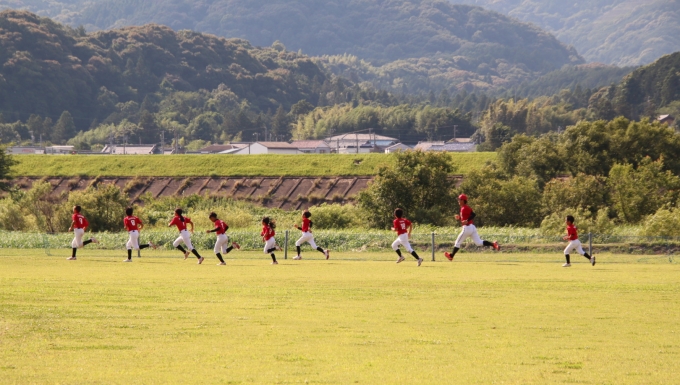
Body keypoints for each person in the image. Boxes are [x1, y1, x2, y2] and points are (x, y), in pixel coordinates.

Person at [445, 194, 499, 261]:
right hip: (472, 228)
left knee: (457, 243)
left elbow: (473, 214)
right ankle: (493, 244)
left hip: (467, 228)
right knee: (478, 242)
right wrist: (459, 218)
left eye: (459, 199)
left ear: (463, 200)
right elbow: (465, 219)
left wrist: (467, 220)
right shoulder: (463, 208)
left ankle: (451, 256)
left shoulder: (465, 208)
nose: (458, 201)